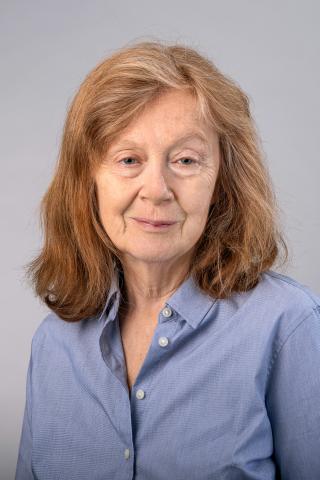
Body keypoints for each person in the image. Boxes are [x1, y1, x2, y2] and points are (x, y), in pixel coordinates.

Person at [15, 40, 320, 480]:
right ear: (89, 181)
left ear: (223, 182)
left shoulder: (289, 328)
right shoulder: (54, 344)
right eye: (128, 159)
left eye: (185, 159)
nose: (156, 188)